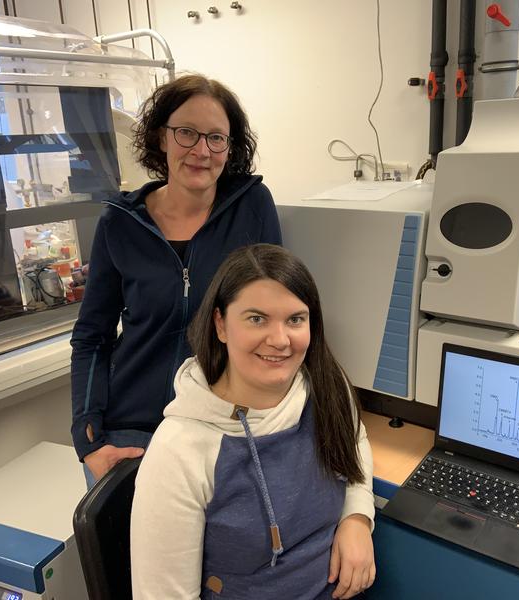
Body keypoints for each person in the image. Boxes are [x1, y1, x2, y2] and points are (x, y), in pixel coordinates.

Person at [130, 244, 376, 599]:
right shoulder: (180, 450)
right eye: (257, 319)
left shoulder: (323, 383)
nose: (279, 340)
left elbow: (354, 441)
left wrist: (356, 517)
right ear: (221, 324)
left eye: (295, 319)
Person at [70, 74, 281, 486]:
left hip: (221, 425)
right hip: (132, 434)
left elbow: (272, 316)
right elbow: (92, 336)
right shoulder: (121, 221)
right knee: (125, 551)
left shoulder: (253, 207)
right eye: (187, 133)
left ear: (230, 148)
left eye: (216, 138)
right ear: (161, 138)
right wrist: (89, 439)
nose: (202, 150)